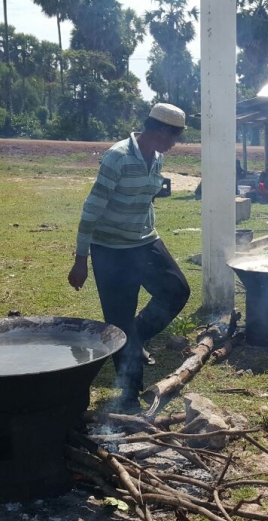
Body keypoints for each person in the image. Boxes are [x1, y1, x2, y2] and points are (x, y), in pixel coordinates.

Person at [68, 103, 191, 410]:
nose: (175, 144)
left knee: (177, 290)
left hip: (144, 241)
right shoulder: (118, 157)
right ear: (161, 131)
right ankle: (129, 396)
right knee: (119, 320)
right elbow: (91, 209)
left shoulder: (157, 157)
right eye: (175, 136)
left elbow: (147, 199)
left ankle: (133, 338)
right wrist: (81, 259)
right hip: (110, 250)